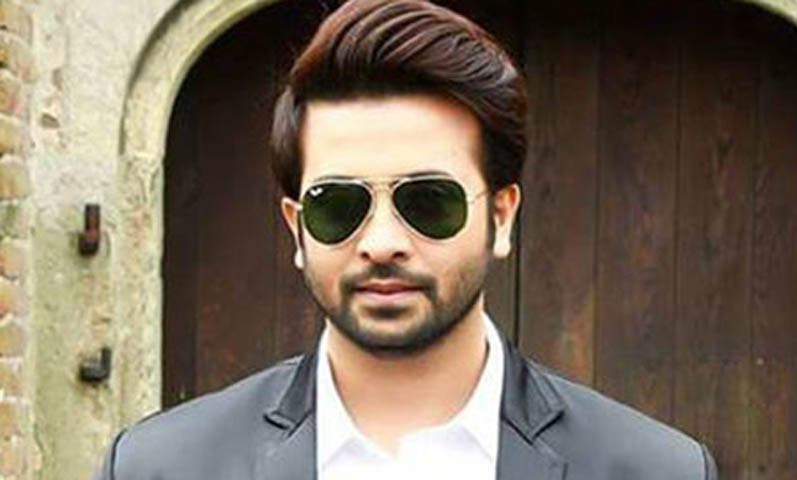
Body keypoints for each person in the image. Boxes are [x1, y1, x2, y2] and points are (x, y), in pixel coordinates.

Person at [96, 0, 718, 478]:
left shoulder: (655, 470)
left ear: (501, 217)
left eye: (428, 201)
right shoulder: (161, 467)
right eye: (339, 205)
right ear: (296, 228)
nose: (382, 241)